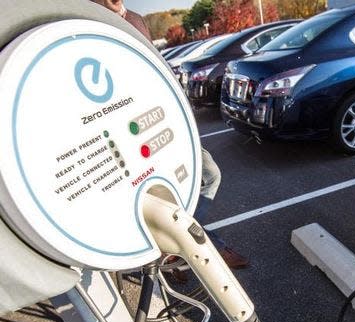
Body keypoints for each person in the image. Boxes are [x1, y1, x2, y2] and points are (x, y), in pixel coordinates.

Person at [91, 0, 249, 269]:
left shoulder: (136, 19)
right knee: (166, 193)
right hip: (129, 131)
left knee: (208, 176)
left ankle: (173, 248)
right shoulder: (93, 21)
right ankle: (204, 247)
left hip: (162, 121)